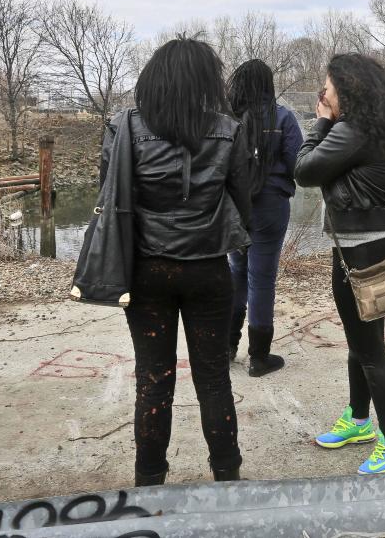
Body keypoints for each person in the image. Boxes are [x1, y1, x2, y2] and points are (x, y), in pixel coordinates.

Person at [101, 37, 250, 487]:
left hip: (146, 270)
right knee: (213, 380)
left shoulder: (124, 126)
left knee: (153, 379)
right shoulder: (229, 129)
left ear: (153, 77)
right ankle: (227, 474)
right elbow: (243, 204)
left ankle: (149, 480)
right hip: (207, 269)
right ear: (207, 80)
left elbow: (109, 195)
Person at [295, 53, 385, 475]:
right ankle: (360, 421)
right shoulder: (378, 127)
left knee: (370, 350)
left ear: (346, 90)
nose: (322, 94)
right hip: (364, 247)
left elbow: (304, 170)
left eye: (326, 87)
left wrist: (322, 121)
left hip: (361, 254)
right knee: (359, 342)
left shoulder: (352, 129)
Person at [226, 59, 303, 376]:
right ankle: (259, 357)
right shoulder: (283, 118)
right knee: (262, 280)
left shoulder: (228, 120)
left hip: (234, 207)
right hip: (271, 206)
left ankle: (225, 348)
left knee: (237, 273)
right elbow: (300, 163)